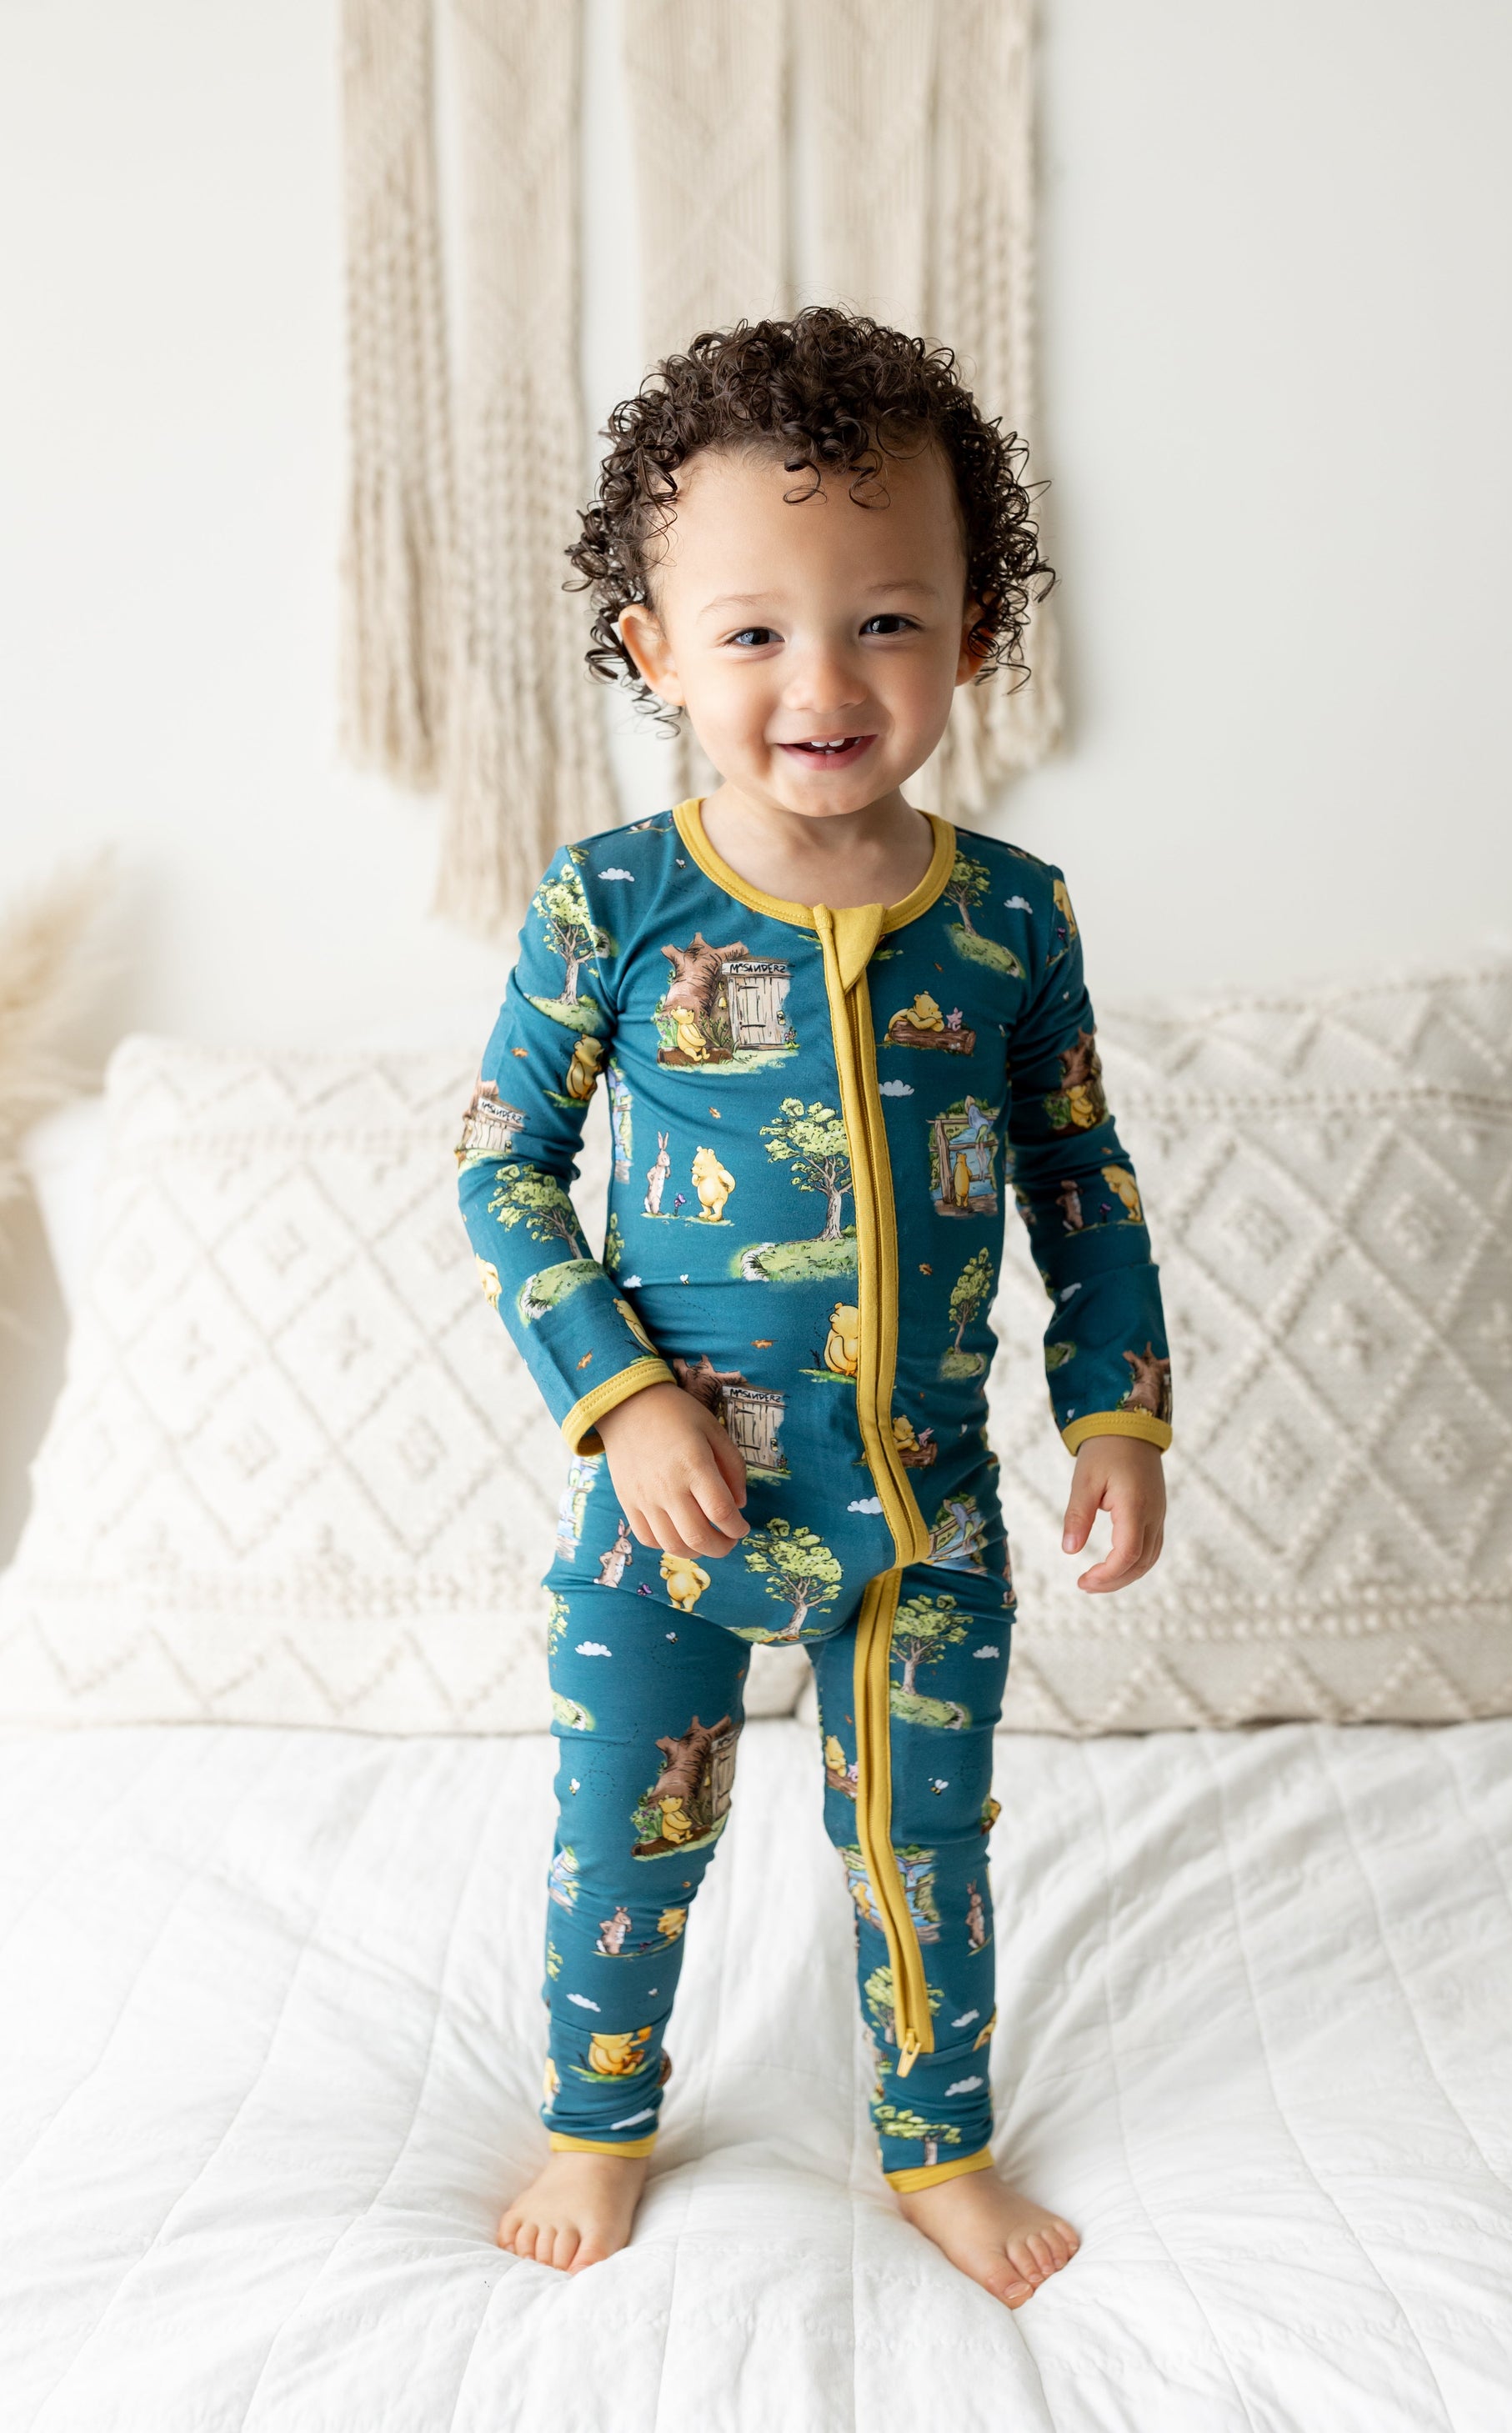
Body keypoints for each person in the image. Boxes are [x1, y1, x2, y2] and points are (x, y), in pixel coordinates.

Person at [458, 308, 1173, 2307]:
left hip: (919, 1510)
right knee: (627, 1833)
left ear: (972, 636)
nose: (824, 681)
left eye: (885, 621)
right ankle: (597, 2117)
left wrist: (1116, 1408)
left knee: (926, 1846)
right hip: (668, 1514)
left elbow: (1080, 1175)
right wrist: (620, 1397)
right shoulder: (614, 902)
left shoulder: (1008, 912)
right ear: (652, 650)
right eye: (753, 630)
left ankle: (937, 2142)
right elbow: (501, 1165)